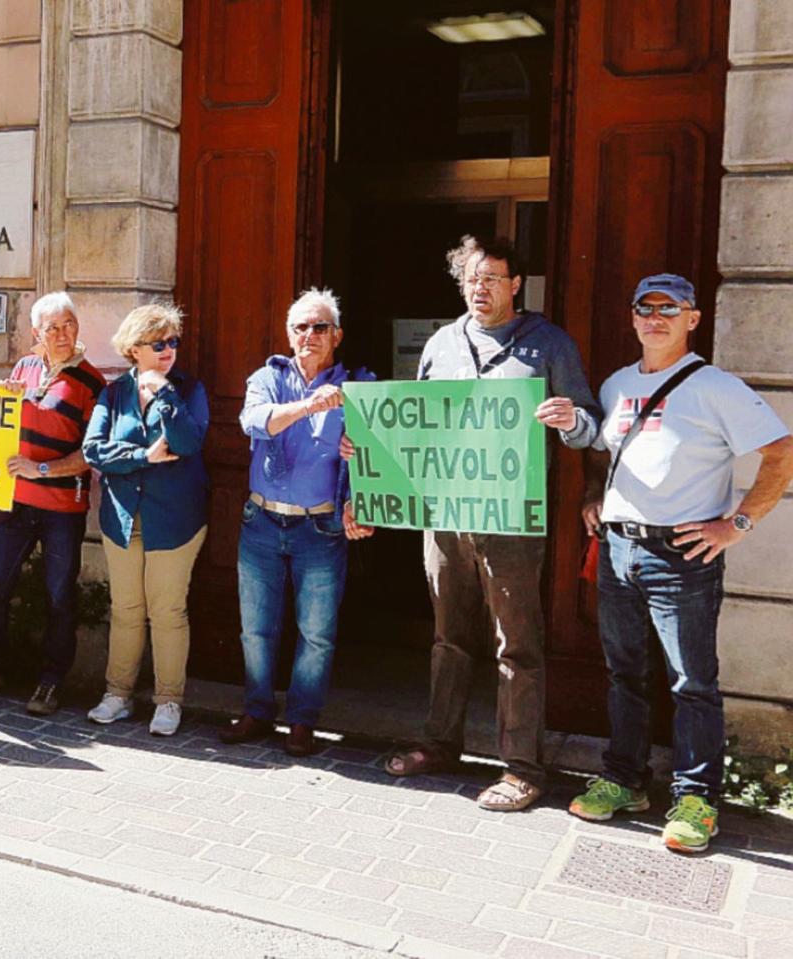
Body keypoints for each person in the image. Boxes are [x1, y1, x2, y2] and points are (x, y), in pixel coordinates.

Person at [375, 236, 601, 812]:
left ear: (516, 284)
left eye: (494, 278)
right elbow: (414, 425)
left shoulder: (548, 345)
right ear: (462, 282)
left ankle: (522, 768)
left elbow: (590, 425)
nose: (482, 288)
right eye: (474, 278)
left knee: (516, 643)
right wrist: (371, 451)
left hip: (510, 520)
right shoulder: (441, 345)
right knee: (449, 637)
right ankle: (440, 743)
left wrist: (570, 420)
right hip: (446, 514)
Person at [568, 273, 793, 853]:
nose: (656, 317)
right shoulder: (617, 385)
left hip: (681, 556)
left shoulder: (715, 386)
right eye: (646, 306)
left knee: (692, 682)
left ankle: (696, 798)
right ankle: (624, 780)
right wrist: (596, 496)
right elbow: (601, 450)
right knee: (625, 674)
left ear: (693, 319)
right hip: (620, 548)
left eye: (671, 308)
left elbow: (782, 452)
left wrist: (736, 525)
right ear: (633, 316)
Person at [225, 289, 373, 756]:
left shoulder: (359, 387)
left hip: (322, 528)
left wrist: (359, 493)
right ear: (289, 334)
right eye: (301, 327)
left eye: (320, 327)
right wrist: (310, 406)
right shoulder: (267, 377)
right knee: (256, 628)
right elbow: (255, 421)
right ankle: (256, 711)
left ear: (338, 335)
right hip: (263, 521)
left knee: (317, 632)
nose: (309, 335)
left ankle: (303, 721)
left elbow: (380, 454)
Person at [0, 292, 105, 716]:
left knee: (58, 596)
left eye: (68, 324)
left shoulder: (92, 381)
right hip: (16, 504)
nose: (62, 334)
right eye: (51, 328)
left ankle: (52, 682)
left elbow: (93, 451)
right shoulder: (24, 368)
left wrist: (45, 469)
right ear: (36, 333)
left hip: (62, 508)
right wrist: (5, 402)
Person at [82, 304, 209, 736]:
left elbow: (189, 442)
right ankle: (118, 694)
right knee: (126, 610)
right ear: (135, 349)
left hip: (174, 520)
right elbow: (93, 450)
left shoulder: (188, 390)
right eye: (159, 343)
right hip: (122, 519)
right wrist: (141, 456)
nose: (169, 350)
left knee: (168, 611)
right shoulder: (114, 393)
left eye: (173, 342)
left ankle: (169, 701)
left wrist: (164, 395)